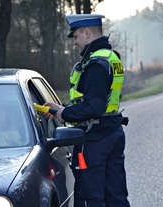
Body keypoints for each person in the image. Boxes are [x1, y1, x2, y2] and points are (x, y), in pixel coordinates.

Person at [43, 14, 130, 207]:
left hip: (96, 139)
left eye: (76, 37)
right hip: (112, 131)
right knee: (116, 196)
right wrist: (62, 108)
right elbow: (95, 100)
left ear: (87, 32)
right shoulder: (111, 57)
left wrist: (64, 115)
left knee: (92, 197)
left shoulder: (96, 64)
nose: (75, 43)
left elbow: (94, 107)